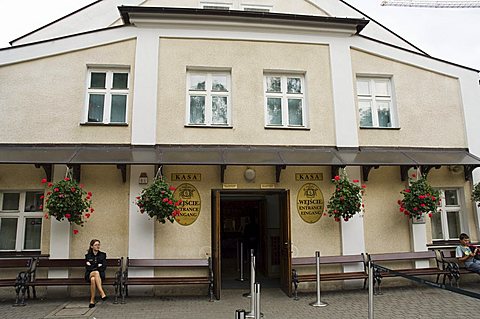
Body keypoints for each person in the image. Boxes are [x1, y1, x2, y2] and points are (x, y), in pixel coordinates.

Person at [85, 239, 107, 308]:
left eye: (98, 244)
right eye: (96, 245)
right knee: (95, 273)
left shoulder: (103, 255)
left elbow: (103, 267)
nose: (98, 246)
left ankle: (92, 300)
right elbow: (88, 268)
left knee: (93, 279)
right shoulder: (88, 256)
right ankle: (101, 292)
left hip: (100, 276)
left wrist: (92, 266)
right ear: (92, 246)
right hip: (89, 274)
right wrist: (97, 266)